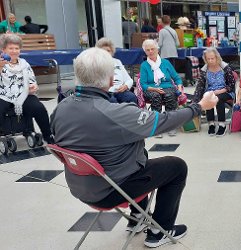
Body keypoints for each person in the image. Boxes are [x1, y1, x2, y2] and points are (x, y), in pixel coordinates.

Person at [50, 47, 218, 248]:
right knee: (176, 166)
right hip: (111, 190)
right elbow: (162, 121)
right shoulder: (115, 113)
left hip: (80, 186)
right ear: (111, 80)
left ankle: (137, 215)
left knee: (139, 154)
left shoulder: (62, 107)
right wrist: (198, 107)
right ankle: (159, 231)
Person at [0, 34, 53, 143]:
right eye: (11, 48)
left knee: (39, 108)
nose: (14, 51)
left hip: (23, 94)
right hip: (3, 95)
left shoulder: (24, 64)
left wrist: (33, 87)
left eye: (17, 48)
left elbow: (32, 81)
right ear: (3, 50)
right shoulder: (1, 64)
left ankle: (48, 136)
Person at [139, 39, 183, 137]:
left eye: (152, 49)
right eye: (147, 50)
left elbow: (176, 77)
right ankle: (157, 126)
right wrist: (154, 89)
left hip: (167, 86)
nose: (150, 51)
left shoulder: (165, 62)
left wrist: (179, 87)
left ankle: (170, 125)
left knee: (170, 94)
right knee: (156, 96)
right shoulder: (144, 65)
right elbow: (143, 84)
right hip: (151, 89)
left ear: (157, 49)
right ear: (145, 52)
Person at [193, 47, 236, 137]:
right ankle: (211, 124)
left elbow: (232, 85)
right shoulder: (205, 70)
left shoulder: (225, 67)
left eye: (212, 58)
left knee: (217, 99)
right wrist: (195, 101)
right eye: (208, 59)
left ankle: (222, 125)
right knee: (207, 97)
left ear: (217, 57)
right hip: (210, 92)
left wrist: (219, 91)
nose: (210, 60)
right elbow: (200, 87)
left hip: (226, 91)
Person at [95, 37, 137, 104]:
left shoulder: (117, 62)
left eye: (108, 51)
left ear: (112, 52)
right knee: (113, 102)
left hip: (120, 91)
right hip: (106, 92)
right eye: (103, 51)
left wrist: (125, 86)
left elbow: (129, 80)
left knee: (131, 97)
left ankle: (130, 114)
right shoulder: (96, 64)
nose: (106, 53)